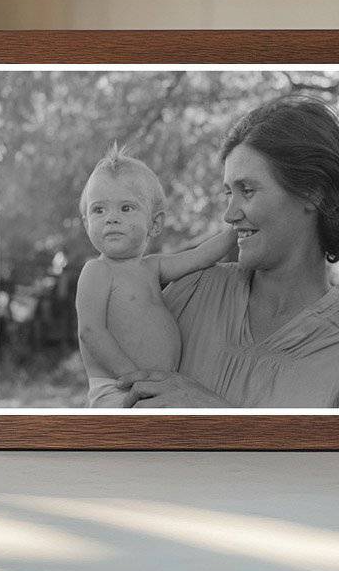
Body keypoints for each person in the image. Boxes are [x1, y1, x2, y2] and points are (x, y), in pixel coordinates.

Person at [117, 96, 339, 409]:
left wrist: (219, 418)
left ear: (311, 191)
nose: (229, 214)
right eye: (227, 193)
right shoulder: (192, 294)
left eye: (247, 190)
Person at [75, 145, 237, 407]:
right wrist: (133, 378)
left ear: (155, 223)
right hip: (117, 390)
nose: (111, 219)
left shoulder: (152, 267)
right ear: (86, 223)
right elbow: (90, 331)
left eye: (126, 208)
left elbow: (201, 256)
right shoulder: (97, 271)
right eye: (98, 210)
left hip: (153, 389)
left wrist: (234, 231)